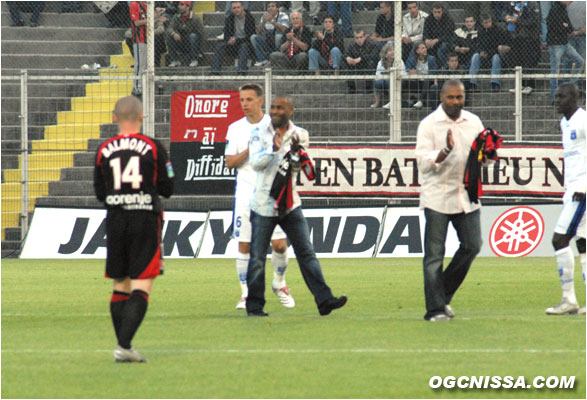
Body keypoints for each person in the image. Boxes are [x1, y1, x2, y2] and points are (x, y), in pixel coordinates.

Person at [246, 96, 348, 317]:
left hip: (290, 203)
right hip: (264, 204)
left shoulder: (300, 134)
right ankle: (254, 306)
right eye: (272, 107)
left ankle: (324, 300)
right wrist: (273, 149)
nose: (274, 111)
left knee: (307, 253)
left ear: (290, 111)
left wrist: (294, 155)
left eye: (280, 107)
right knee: (257, 257)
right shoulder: (258, 132)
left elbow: (298, 168)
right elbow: (255, 163)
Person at [93, 96, 175, 361]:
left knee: (121, 284)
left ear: (114, 117)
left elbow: (99, 193)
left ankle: (124, 347)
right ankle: (124, 346)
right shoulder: (153, 147)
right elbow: (168, 188)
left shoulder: (104, 149)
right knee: (142, 284)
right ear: (142, 117)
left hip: (116, 220)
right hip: (145, 220)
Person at [415, 79, 484, 321]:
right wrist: (444, 151)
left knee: (473, 245)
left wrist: (489, 154)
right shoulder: (429, 125)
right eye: (451, 97)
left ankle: (441, 294)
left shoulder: (473, 122)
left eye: (459, 97)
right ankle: (434, 309)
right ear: (441, 98)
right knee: (434, 255)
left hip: (466, 195)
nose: (455, 102)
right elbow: (422, 164)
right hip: (437, 197)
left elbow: (481, 157)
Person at [224, 83, 295, 310]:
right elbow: (229, 162)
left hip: (271, 194)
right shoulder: (235, 128)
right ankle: (246, 294)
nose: (244, 104)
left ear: (260, 101)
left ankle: (279, 282)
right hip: (245, 195)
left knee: (280, 245)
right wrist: (249, 151)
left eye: (249, 100)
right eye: (242, 100)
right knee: (244, 246)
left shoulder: (273, 125)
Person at [546, 83, 586, 316]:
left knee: (559, 239)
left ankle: (568, 298)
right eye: (556, 96)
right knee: (583, 244)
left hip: (582, 191)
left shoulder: (583, 120)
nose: (557, 100)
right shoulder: (565, 123)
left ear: (575, 98)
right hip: (573, 190)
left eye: (562, 96)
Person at [546, 1, 584, 103]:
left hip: (565, 43)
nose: (571, 1)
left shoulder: (564, 9)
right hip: (555, 44)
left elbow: (568, 27)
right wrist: (565, 27)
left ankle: (571, 86)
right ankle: (554, 97)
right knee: (555, 70)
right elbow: (556, 27)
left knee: (580, 61)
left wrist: (567, 27)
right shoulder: (554, 9)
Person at [503, 1, 541, 95]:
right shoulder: (513, 4)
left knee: (529, 61)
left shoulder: (532, 4)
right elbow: (505, 11)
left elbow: (534, 20)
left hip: (530, 38)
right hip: (516, 37)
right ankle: (519, 84)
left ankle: (530, 85)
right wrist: (507, 16)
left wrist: (517, 21)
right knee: (517, 61)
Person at [468, 14, 511, 92]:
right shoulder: (480, 32)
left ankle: (495, 83)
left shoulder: (498, 31)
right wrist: (481, 52)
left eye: (489, 22)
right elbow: (478, 45)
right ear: (482, 23)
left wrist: (489, 53)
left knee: (496, 57)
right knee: (475, 56)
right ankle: (472, 82)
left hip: (494, 54)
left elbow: (499, 47)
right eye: (485, 22)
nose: (487, 24)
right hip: (484, 56)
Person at [211, 1, 256, 74]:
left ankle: (241, 71)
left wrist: (237, 40)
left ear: (242, 8)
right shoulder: (229, 18)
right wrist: (229, 40)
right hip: (233, 44)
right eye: (234, 8)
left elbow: (250, 37)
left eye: (238, 7)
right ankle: (214, 71)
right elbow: (226, 35)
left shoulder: (249, 18)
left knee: (244, 46)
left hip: (246, 44)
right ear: (231, 9)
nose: (236, 9)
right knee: (220, 46)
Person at [251, 1, 291, 67]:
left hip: (280, 44)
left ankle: (275, 57)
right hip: (268, 42)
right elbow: (257, 32)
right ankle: (262, 59)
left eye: (273, 6)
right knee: (253, 37)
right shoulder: (264, 16)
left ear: (277, 8)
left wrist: (272, 21)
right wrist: (263, 22)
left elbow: (285, 29)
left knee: (278, 36)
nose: (270, 8)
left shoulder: (283, 15)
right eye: (269, 6)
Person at [166, 1, 205, 67]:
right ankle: (175, 60)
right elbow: (170, 28)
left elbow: (202, 34)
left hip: (193, 45)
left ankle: (194, 59)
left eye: (182, 5)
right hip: (181, 42)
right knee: (170, 35)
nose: (179, 6)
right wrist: (174, 33)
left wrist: (201, 50)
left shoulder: (196, 18)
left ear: (187, 7)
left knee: (193, 36)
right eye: (179, 5)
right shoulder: (176, 17)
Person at [372, 42, 407, 109]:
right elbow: (377, 75)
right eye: (390, 50)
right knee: (377, 83)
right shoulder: (381, 62)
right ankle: (377, 103)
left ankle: (392, 102)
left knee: (390, 82)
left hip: (398, 81)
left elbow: (403, 74)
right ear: (385, 54)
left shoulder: (399, 61)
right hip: (384, 81)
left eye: (394, 50)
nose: (393, 52)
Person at [344, 28, 379, 94]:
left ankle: (368, 88)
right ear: (354, 38)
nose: (359, 40)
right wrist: (347, 58)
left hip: (368, 66)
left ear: (365, 37)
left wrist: (360, 59)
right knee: (348, 63)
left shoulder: (372, 45)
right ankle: (351, 88)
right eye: (357, 38)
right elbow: (345, 54)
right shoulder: (352, 46)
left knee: (371, 63)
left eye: (360, 37)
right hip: (357, 66)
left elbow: (374, 56)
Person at [405, 40, 438, 109]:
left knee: (427, 79)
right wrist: (419, 73)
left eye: (425, 48)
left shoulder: (432, 59)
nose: (425, 49)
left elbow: (432, 73)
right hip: (417, 81)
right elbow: (409, 71)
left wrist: (418, 73)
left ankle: (421, 101)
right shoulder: (412, 60)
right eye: (422, 48)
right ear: (417, 51)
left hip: (428, 82)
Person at [422, 2, 454, 67]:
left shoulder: (448, 19)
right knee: (419, 47)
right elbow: (425, 33)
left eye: (439, 12)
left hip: (444, 42)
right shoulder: (428, 19)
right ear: (432, 11)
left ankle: (445, 67)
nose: (437, 14)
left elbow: (449, 35)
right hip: (431, 42)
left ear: (442, 11)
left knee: (443, 47)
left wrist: (437, 40)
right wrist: (427, 40)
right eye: (435, 12)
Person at [129, 1, 147, 97]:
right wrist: (151, 19)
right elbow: (136, 22)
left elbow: (147, 18)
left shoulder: (145, 5)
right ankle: (136, 87)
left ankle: (142, 86)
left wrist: (157, 15)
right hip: (138, 39)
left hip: (147, 39)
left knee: (144, 65)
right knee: (139, 64)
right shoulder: (134, 5)